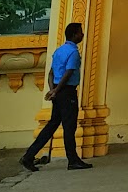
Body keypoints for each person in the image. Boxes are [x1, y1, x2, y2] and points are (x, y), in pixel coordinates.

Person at [20, 22, 91, 171]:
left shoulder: (59, 51)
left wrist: (53, 90)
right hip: (67, 91)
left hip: (58, 92)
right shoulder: (73, 52)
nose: (82, 35)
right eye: (80, 32)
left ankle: (29, 155)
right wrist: (57, 90)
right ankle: (73, 160)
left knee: (52, 125)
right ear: (74, 35)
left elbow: (51, 73)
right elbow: (68, 73)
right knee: (69, 127)